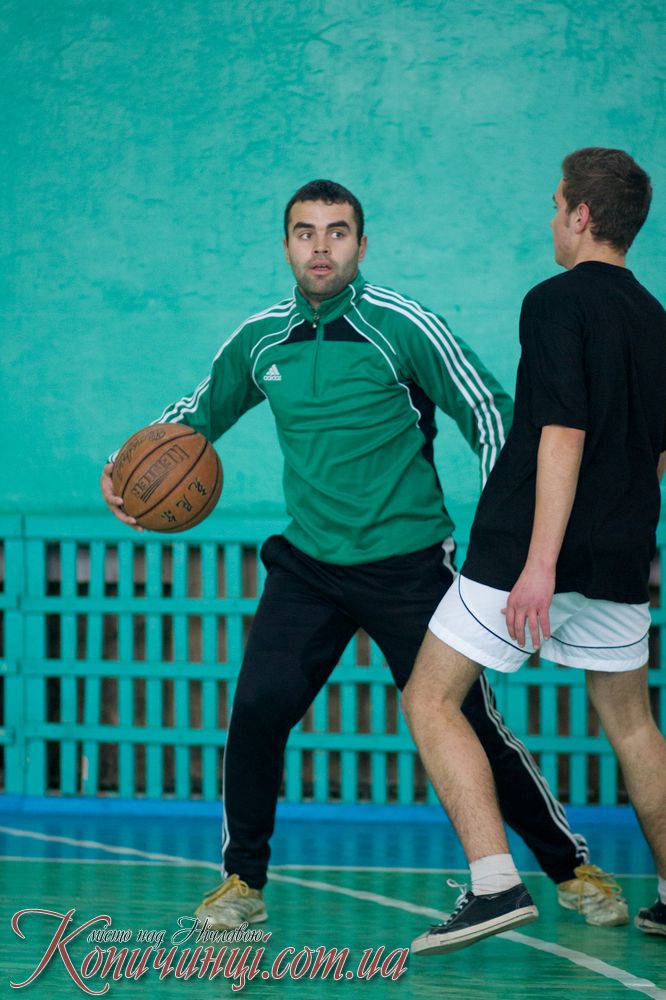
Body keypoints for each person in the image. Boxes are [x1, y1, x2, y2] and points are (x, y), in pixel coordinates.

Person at [101, 179, 618, 932]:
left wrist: (509, 537)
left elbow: (488, 413)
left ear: (362, 245)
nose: (321, 246)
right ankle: (242, 882)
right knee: (257, 709)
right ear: (286, 246)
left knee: (468, 721)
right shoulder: (259, 339)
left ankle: (571, 868)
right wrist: (123, 467)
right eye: (305, 232)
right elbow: (194, 414)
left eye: (337, 232)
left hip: (408, 562)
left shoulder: (402, 325)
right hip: (309, 564)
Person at [403, 148, 666, 956]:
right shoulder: (656, 318)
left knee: (429, 698)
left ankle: (494, 885)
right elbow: (657, 453)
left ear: (581, 215)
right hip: (622, 553)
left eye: (557, 204)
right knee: (634, 725)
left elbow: (562, 432)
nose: (552, 218)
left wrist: (541, 564)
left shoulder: (554, 301)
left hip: (525, 549)